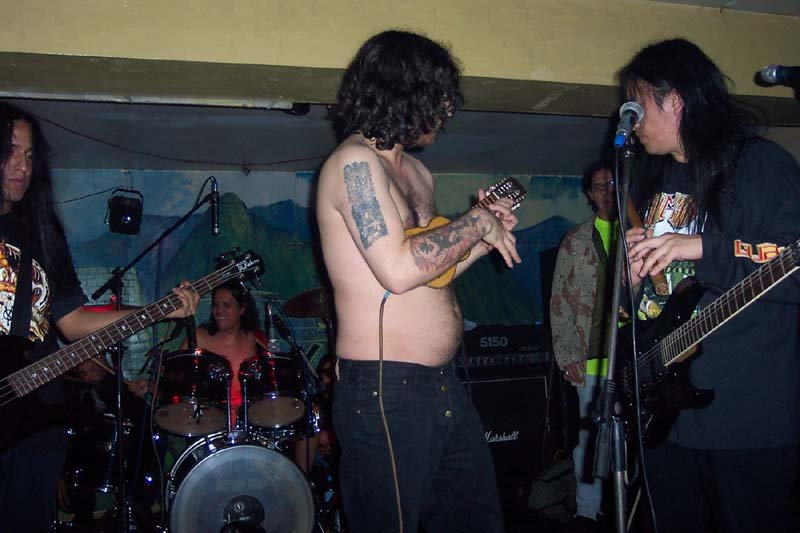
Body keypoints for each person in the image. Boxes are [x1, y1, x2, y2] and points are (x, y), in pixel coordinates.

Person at [316, 30, 520, 533]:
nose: (446, 112)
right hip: (384, 389)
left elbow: (434, 271)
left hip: (442, 385)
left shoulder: (420, 174)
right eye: (439, 98)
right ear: (405, 92)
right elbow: (399, 269)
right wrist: (476, 222)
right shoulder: (353, 165)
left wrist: (481, 238)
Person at [619, 39, 800, 532]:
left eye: (638, 103)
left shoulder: (760, 166)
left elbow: (792, 266)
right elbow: (655, 299)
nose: (630, 118)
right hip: (664, 411)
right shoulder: (654, 178)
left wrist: (702, 247)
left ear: (675, 100)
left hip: (745, 414)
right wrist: (632, 283)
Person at [0, 101, 199, 532]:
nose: (22, 166)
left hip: (35, 416)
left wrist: (157, 312)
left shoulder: (41, 234)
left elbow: (73, 323)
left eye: (30, 155)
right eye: (11, 151)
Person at [550, 159, 617, 529]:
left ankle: (625, 506)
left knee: (633, 435)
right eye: (599, 186)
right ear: (590, 193)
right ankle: (588, 512)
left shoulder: (639, 235)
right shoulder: (575, 240)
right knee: (590, 439)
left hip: (632, 358)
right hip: (589, 360)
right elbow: (559, 300)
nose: (606, 192)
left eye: (612, 184)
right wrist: (567, 355)